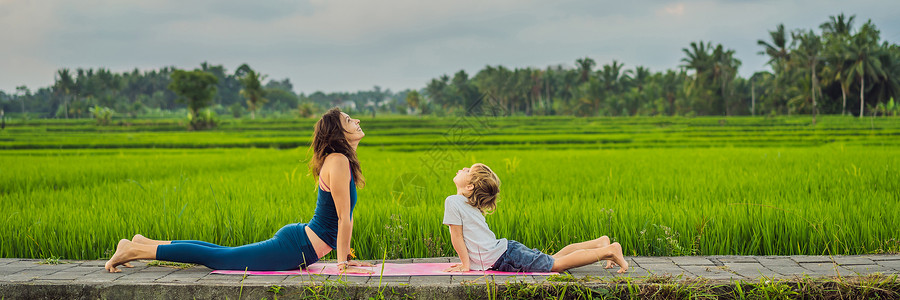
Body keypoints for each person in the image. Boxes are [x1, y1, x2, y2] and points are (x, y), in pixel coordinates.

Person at [104, 108, 374, 273]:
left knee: (222, 252)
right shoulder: (337, 161)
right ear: (339, 132)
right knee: (220, 257)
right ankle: (135, 251)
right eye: (350, 120)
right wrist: (343, 263)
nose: (357, 120)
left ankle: (143, 243)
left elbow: (342, 215)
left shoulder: (341, 159)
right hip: (296, 246)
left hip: (300, 243)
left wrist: (345, 258)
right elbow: (343, 218)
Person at [442, 163, 629, 274]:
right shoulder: (465, 203)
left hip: (505, 256)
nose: (463, 168)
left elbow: (457, 237)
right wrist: (467, 263)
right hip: (507, 252)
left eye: (467, 171)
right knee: (552, 259)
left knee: (556, 265)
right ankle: (599, 243)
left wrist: (465, 265)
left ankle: (609, 250)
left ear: (470, 187)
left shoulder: (454, 202)